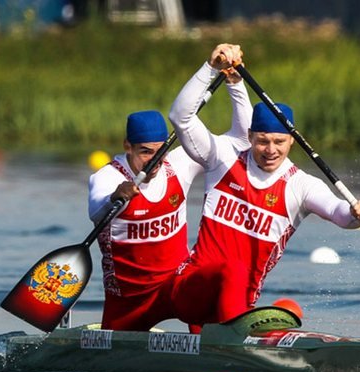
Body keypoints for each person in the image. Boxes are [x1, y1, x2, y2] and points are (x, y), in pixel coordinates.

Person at [168, 44, 360, 331]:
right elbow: (180, 117)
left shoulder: (300, 185)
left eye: (279, 142)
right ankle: (236, 336)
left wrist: (355, 213)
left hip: (236, 306)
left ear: (292, 141)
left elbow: (338, 213)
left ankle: (224, 336)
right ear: (250, 136)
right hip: (190, 293)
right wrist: (210, 68)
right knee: (233, 268)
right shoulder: (222, 160)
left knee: (236, 283)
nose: (270, 150)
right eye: (262, 141)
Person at [88, 67, 252, 331]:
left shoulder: (179, 164)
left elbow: (241, 141)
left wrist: (235, 84)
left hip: (176, 287)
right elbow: (96, 212)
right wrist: (115, 197)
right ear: (127, 145)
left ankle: (228, 338)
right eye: (145, 152)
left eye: (160, 151)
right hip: (128, 302)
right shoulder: (107, 177)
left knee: (228, 270)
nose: (154, 161)